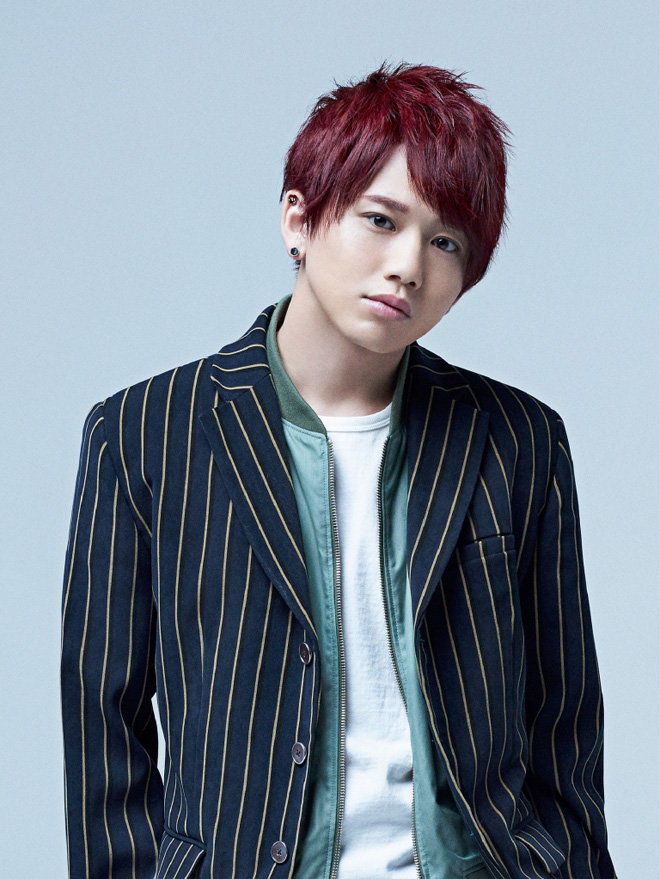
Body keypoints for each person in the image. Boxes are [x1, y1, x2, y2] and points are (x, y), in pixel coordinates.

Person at [60, 61, 617, 879]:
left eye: (446, 242)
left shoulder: (520, 440)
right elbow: (102, 728)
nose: (409, 266)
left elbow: (565, 722)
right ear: (299, 217)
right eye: (380, 220)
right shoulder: (144, 433)